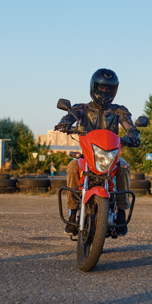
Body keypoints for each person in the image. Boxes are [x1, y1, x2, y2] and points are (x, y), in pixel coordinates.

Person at [54, 69, 140, 237]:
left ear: (114, 90)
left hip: (110, 156)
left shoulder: (119, 111)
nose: (104, 92)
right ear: (94, 88)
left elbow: (129, 125)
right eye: (101, 88)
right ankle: (72, 212)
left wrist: (133, 135)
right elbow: (69, 117)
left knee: (123, 167)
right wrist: (64, 123)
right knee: (72, 166)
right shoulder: (82, 108)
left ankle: (121, 212)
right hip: (88, 155)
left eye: (108, 89)